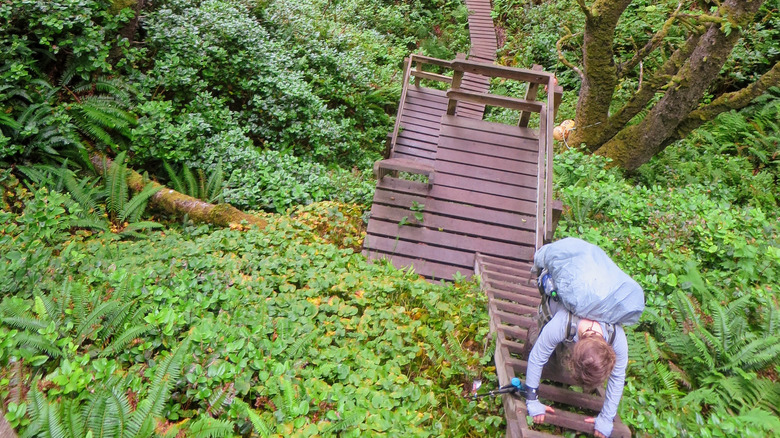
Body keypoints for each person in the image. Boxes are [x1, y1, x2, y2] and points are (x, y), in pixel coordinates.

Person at [523, 296, 628, 438]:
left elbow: (618, 376)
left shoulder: (617, 337)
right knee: (553, 368)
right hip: (553, 319)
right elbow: (537, 357)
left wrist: (606, 418)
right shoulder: (563, 323)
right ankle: (535, 333)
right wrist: (532, 400)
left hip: (574, 333)